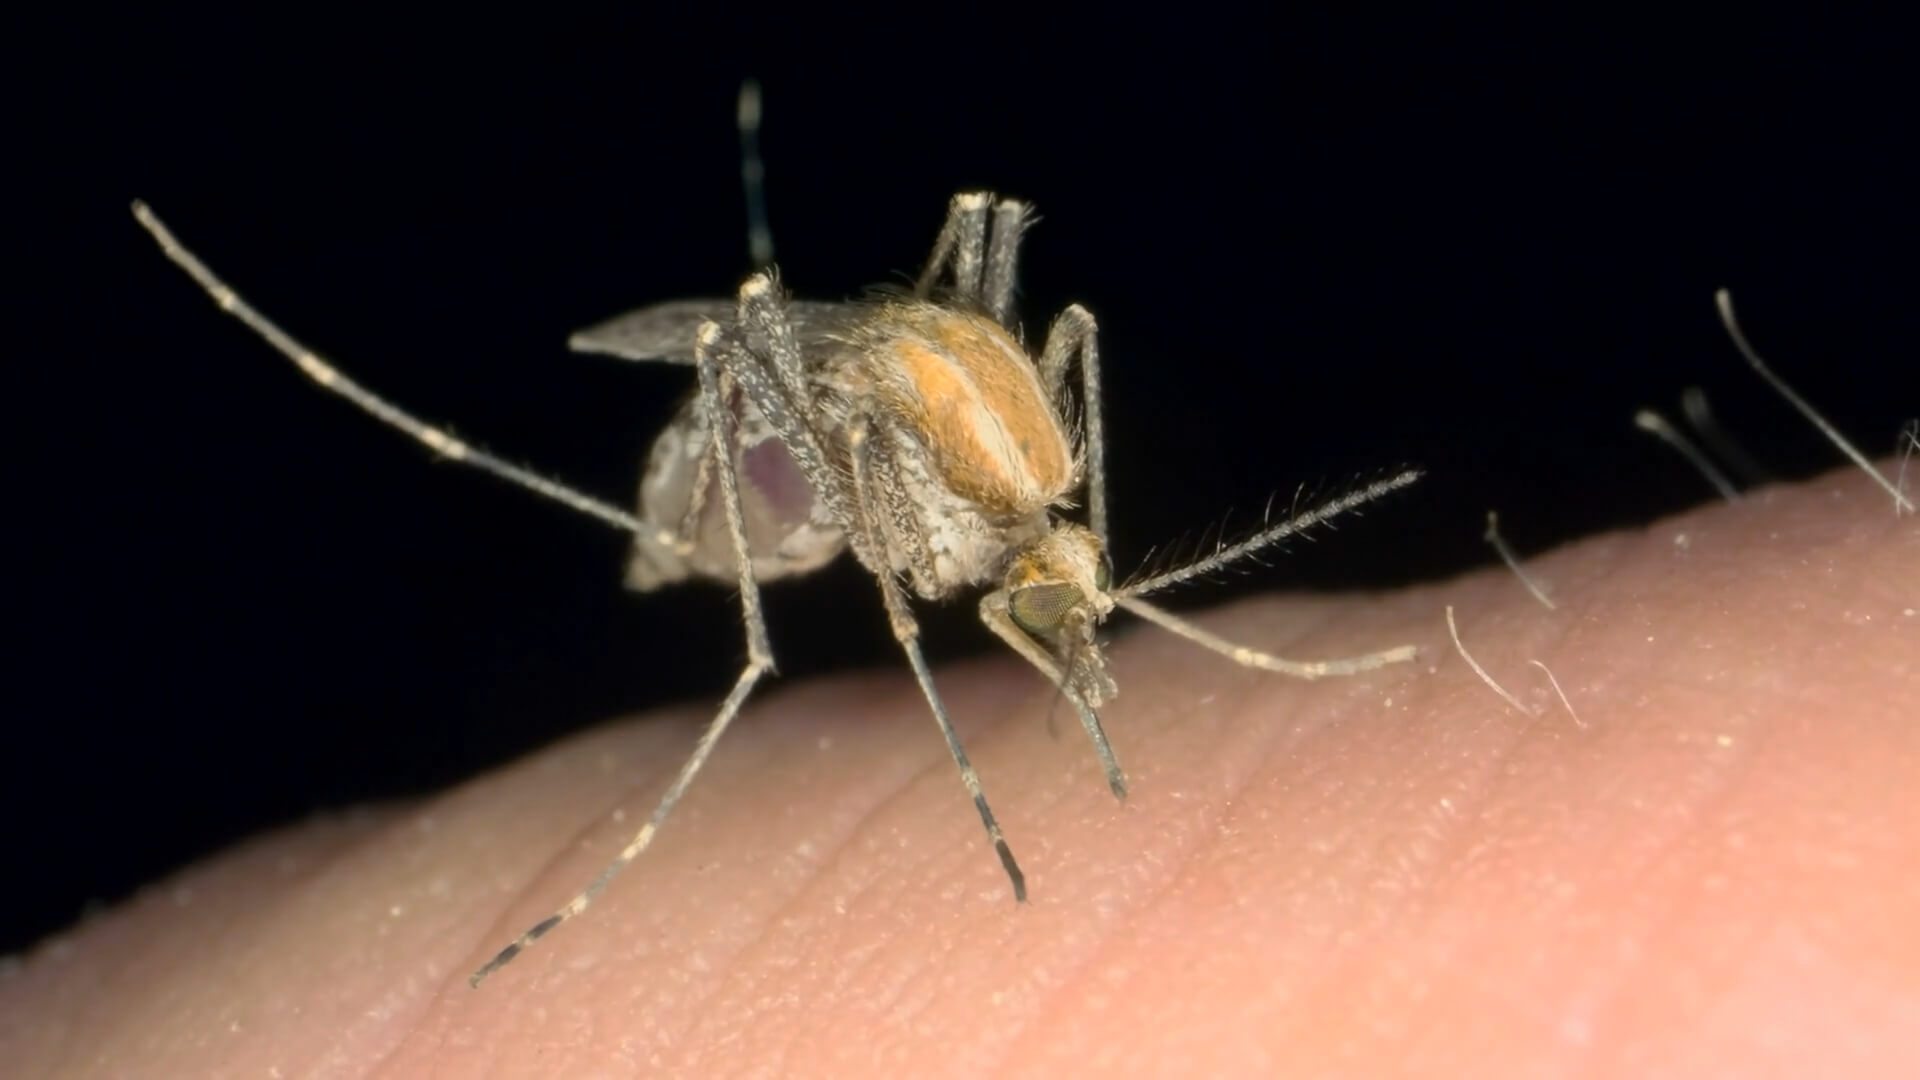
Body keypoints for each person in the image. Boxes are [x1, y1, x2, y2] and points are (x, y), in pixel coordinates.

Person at [6, 462, 1913, 1076]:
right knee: (847, 548)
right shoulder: (974, 532)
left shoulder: (1036, 511)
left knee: (1009, 321)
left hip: (947, 458)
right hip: (769, 458)